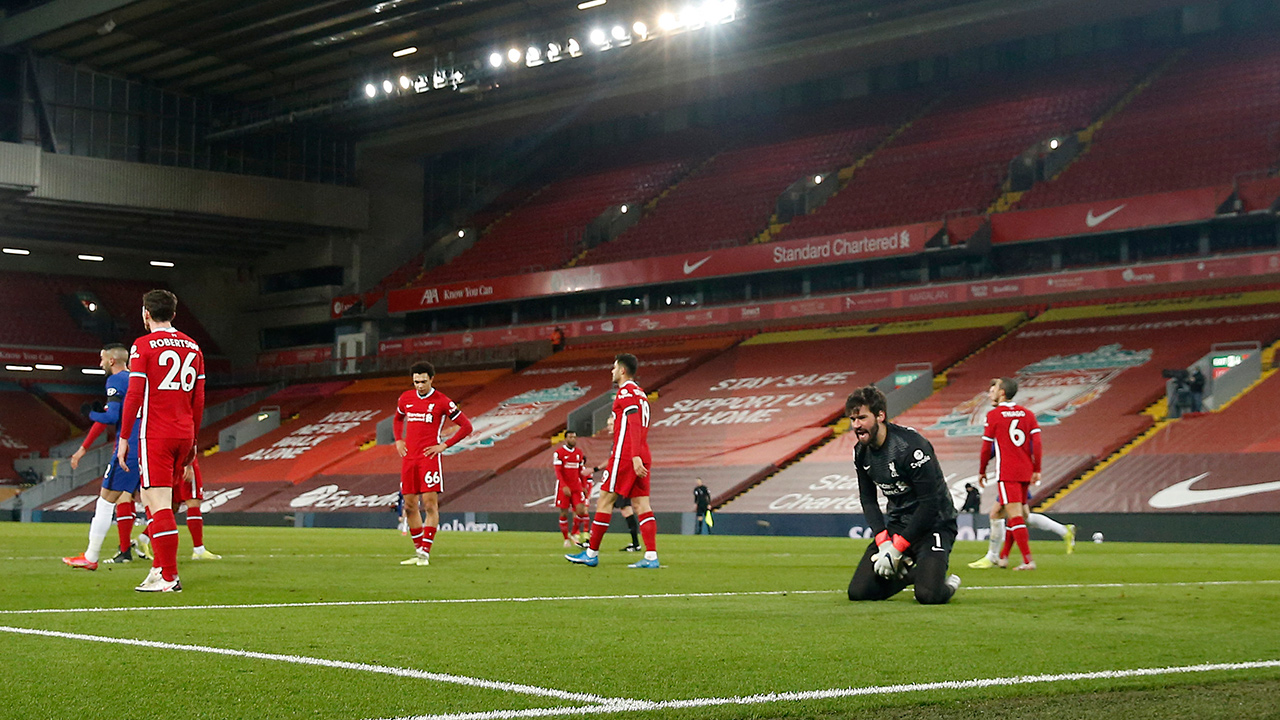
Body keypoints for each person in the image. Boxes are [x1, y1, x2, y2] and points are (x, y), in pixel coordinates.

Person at [116, 289, 205, 592]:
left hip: (156, 432)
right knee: (149, 496)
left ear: (146, 313)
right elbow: (199, 398)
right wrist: (193, 438)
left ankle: (169, 575)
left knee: (158, 502)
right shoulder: (193, 346)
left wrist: (124, 436)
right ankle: (157, 568)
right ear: (174, 314)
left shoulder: (143, 346)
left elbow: (134, 393)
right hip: (184, 431)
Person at [845, 385, 960, 604]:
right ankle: (913, 575)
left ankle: (943, 583)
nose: (856, 426)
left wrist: (898, 547)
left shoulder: (911, 448)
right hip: (899, 524)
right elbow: (868, 499)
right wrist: (883, 542)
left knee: (928, 596)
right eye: (852, 419)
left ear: (880, 416)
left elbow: (930, 504)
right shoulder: (861, 452)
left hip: (934, 524)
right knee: (858, 592)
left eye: (861, 418)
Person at [566, 353, 659, 568]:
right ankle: (651, 556)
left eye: (614, 367)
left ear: (623, 371)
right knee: (641, 503)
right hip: (642, 452)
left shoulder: (626, 392)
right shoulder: (641, 393)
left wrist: (633, 455)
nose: (612, 371)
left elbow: (633, 423)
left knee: (605, 500)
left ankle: (591, 553)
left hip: (627, 453)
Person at [62, 344, 142, 570]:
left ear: (112, 361)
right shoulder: (136, 380)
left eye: (102, 359)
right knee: (157, 503)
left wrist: (90, 413)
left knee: (105, 500)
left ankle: (91, 556)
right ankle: (160, 562)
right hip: (148, 444)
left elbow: (112, 417)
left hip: (129, 449)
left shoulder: (116, 381)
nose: (100, 363)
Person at [394, 361, 473, 567]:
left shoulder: (442, 401)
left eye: (422, 381)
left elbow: (466, 426)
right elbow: (397, 419)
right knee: (410, 506)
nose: (419, 385)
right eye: (416, 382)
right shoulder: (406, 398)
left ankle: (425, 552)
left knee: (429, 504)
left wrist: (444, 445)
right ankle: (419, 551)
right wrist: (398, 439)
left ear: (431, 379)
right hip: (409, 458)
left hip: (429, 457)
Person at [553, 431, 590, 548]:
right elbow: (558, 472)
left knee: (581, 510)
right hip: (564, 487)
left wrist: (584, 485)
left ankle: (574, 533)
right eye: (570, 437)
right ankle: (565, 538)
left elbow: (581, 471)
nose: (573, 439)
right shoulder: (559, 453)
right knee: (564, 512)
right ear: (565, 439)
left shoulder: (579, 453)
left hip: (576, 487)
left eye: (574, 437)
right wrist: (564, 486)